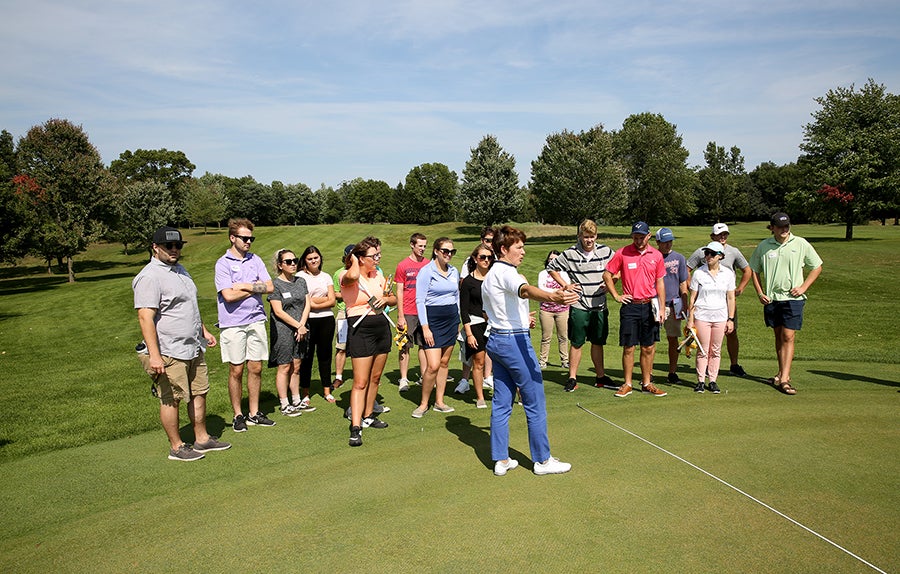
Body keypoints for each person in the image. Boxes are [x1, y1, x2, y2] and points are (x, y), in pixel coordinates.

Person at [482, 225, 577, 476]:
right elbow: (525, 290)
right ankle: (543, 461)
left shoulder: (491, 274)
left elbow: (500, 307)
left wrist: (524, 317)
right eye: (519, 248)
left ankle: (501, 460)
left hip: (497, 340)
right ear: (504, 249)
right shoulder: (507, 272)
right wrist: (552, 297)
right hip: (514, 343)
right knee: (534, 399)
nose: (523, 252)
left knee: (502, 401)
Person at [133, 226, 231, 461]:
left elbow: (189, 306)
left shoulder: (180, 270)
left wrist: (204, 330)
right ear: (155, 248)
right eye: (169, 246)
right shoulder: (149, 277)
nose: (175, 249)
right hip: (169, 349)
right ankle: (177, 447)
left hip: (193, 346)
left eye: (178, 246)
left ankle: (202, 438)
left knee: (199, 392)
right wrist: (155, 356)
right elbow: (145, 317)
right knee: (172, 398)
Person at [749, 213, 823, 395]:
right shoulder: (764, 246)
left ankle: (784, 380)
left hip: (793, 299)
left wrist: (804, 286)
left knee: (788, 336)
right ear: (772, 227)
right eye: (780, 226)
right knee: (779, 336)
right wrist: (760, 292)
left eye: (787, 226)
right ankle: (782, 372)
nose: (784, 229)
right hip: (772, 299)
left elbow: (817, 266)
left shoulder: (800, 244)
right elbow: (754, 270)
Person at [215, 218, 276, 432]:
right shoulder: (222, 264)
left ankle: (254, 412)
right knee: (236, 369)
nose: (248, 241)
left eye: (251, 238)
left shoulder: (255, 260)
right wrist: (253, 289)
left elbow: (269, 287)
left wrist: (245, 286)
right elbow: (229, 296)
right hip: (233, 323)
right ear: (233, 238)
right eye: (244, 238)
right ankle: (238, 415)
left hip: (256, 319)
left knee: (256, 367)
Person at [340, 237, 397, 446]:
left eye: (378, 254)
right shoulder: (349, 276)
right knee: (360, 381)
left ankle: (369, 414)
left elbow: (392, 298)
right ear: (361, 258)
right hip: (360, 329)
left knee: (375, 378)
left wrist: (386, 300)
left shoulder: (378, 276)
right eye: (374, 256)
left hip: (381, 327)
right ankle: (355, 426)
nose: (378, 259)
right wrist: (354, 259)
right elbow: (353, 275)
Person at [603, 221, 668, 398]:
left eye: (641, 237)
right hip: (630, 305)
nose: (638, 240)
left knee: (648, 347)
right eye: (635, 237)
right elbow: (607, 274)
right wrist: (616, 295)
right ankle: (628, 384)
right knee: (629, 347)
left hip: (649, 305)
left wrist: (662, 308)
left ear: (649, 236)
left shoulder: (656, 255)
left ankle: (647, 383)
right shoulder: (622, 253)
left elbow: (660, 283)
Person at [548, 219, 614, 391]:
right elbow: (551, 267)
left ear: (596, 236)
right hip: (579, 305)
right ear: (580, 236)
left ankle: (600, 377)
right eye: (586, 237)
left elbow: (618, 267)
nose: (589, 240)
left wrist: (611, 283)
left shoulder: (605, 251)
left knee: (598, 342)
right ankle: (572, 378)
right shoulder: (570, 253)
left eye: (592, 237)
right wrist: (565, 285)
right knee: (577, 342)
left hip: (599, 305)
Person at [687, 223, 752, 377]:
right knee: (705, 341)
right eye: (719, 234)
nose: (723, 237)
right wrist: (693, 289)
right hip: (705, 302)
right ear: (712, 236)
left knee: (731, 331)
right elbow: (687, 269)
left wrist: (740, 288)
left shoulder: (733, 252)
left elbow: (747, 270)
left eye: (725, 234)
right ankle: (704, 375)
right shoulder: (702, 252)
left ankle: (734, 364)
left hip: (726, 301)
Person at [412, 237, 460, 418]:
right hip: (432, 321)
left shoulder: (454, 271)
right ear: (436, 251)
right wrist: (425, 327)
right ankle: (424, 403)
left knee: (444, 363)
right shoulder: (426, 271)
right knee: (432, 365)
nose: (449, 254)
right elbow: (420, 300)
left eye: (452, 251)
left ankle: (439, 401)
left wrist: (458, 321)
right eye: (445, 251)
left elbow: (456, 297)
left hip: (451, 320)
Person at [686, 242, 736, 394]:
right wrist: (690, 319)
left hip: (720, 316)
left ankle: (712, 380)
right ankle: (701, 381)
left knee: (716, 350)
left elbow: (731, 298)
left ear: (720, 256)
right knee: (703, 350)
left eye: (711, 254)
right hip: (702, 315)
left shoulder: (728, 274)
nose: (708, 256)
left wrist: (731, 319)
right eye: (706, 253)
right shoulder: (699, 273)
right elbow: (693, 298)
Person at [267, 249, 311, 415]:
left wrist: (302, 324)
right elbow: (278, 311)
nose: (293, 264)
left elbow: (307, 304)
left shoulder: (301, 281)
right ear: (280, 265)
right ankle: (284, 404)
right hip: (283, 329)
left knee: (297, 365)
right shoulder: (275, 284)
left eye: (295, 260)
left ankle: (296, 400)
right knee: (285, 366)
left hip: (301, 328)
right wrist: (297, 325)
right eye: (288, 261)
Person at [456, 227, 495, 393]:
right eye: (487, 240)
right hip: (474, 317)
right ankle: (465, 380)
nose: (490, 244)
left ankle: (488, 378)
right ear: (481, 240)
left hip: (491, 320)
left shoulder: (496, 264)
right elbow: (465, 287)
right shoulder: (469, 263)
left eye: (492, 240)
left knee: (488, 354)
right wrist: (467, 326)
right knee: (471, 354)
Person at [297, 246, 337, 405]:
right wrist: (322, 301)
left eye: (316, 257)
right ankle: (305, 392)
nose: (314, 261)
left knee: (325, 355)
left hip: (326, 320)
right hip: (308, 320)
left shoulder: (326, 276)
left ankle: (327, 390)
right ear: (305, 261)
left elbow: (332, 301)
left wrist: (312, 302)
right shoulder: (300, 277)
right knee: (306, 356)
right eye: (310, 258)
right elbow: (302, 302)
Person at [394, 233, 429, 392]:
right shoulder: (403, 265)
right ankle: (403, 379)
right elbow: (399, 291)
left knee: (424, 345)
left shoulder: (429, 264)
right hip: (408, 311)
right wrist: (400, 316)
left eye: (424, 246)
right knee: (404, 346)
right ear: (412, 245)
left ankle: (424, 376)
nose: (422, 249)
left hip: (424, 312)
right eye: (420, 246)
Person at [655, 228, 689, 384]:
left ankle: (672, 372)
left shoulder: (679, 258)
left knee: (673, 339)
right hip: (655, 303)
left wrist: (685, 303)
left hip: (674, 303)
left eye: (670, 241)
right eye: (664, 242)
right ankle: (647, 374)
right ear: (658, 242)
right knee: (651, 340)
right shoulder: (652, 257)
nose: (668, 244)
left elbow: (683, 283)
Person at [537, 250, 570, 370]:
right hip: (546, 310)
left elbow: (567, 288)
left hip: (562, 310)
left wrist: (556, 293)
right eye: (550, 259)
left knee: (563, 336)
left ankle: (565, 361)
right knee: (546, 337)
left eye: (555, 259)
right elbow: (542, 289)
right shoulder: (542, 274)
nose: (552, 261)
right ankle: (543, 361)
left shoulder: (564, 274)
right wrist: (557, 292)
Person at [331, 244, 354, 390]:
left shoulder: (362, 272)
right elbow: (335, 293)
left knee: (362, 345)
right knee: (341, 346)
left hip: (359, 313)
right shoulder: (339, 273)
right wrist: (349, 294)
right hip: (343, 313)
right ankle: (339, 376)